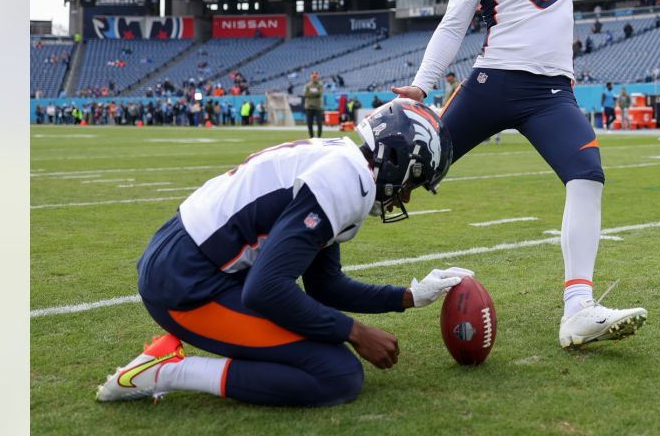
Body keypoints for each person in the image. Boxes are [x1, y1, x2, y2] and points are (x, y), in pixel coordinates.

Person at [390, 0, 660, 349]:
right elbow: (455, 20)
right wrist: (423, 83)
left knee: (587, 175)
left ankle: (578, 310)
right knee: (403, 171)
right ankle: (307, 248)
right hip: (493, 83)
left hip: (551, 92)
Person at [96, 100, 463, 407]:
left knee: (324, 345)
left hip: (190, 259)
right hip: (185, 283)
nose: (407, 196)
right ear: (398, 159)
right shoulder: (346, 181)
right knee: (337, 375)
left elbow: (325, 286)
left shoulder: (341, 160)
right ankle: (164, 371)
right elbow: (265, 289)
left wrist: (408, 297)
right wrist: (355, 331)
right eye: (413, 182)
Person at [303, 72, 325, 138]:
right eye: (313, 77)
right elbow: (306, 94)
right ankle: (311, 136)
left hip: (318, 107)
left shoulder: (320, 85)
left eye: (315, 77)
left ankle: (319, 137)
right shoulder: (307, 85)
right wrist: (315, 92)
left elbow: (319, 94)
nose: (314, 78)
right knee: (309, 123)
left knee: (319, 123)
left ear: (317, 77)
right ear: (311, 77)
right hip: (309, 107)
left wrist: (311, 93)